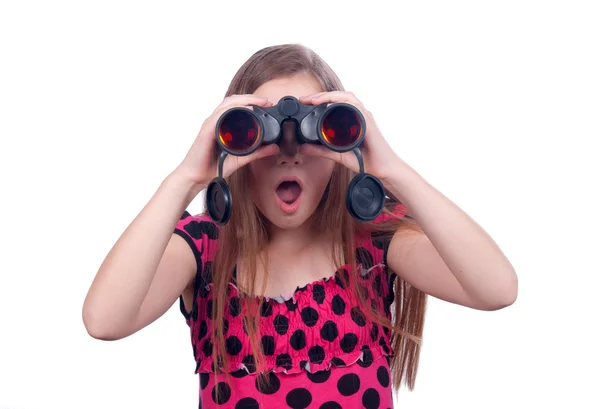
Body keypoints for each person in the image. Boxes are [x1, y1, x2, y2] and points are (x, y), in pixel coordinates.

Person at [82, 44, 518, 409]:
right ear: (233, 143)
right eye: (265, 135)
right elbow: (104, 321)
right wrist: (187, 176)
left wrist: (391, 169)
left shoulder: (372, 244)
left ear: (339, 142)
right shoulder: (205, 249)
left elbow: (497, 289)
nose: (289, 153)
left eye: (312, 136)